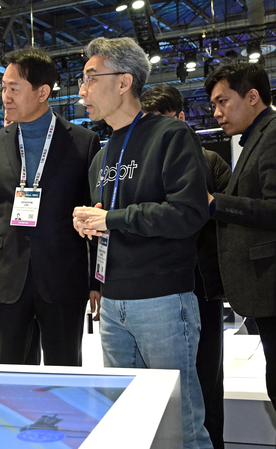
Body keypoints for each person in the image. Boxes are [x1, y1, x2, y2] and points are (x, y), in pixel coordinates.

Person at [73, 37, 211, 448]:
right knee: (128, 425)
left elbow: (188, 213)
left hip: (163, 301)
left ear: (123, 82)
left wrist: (111, 218)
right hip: (114, 305)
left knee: (181, 424)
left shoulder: (171, 136)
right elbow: (111, 219)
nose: (81, 90)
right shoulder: (101, 156)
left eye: (90, 78)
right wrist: (91, 224)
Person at [0, 47, 101, 366]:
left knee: (65, 370)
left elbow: (93, 217)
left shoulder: (83, 143)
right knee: (7, 371)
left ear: (43, 92)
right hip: (5, 277)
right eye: (3, 87)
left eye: (14, 88)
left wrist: (97, 280)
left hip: (63, 278)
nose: (5, 96)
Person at [141, 84, 230, 449]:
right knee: (158, 380)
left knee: (205, 376)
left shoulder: (210, 162)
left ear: (180, 119)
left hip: (201, 284)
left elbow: (229, 215)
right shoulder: (141, 167)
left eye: (163, 123)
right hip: (155, 286)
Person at [205, 62, 276, 411]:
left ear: (252, 96)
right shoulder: (254, 139)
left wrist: (217, 203)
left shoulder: (272, 134)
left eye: (223, 102)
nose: (217, 113)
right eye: (213, 105)